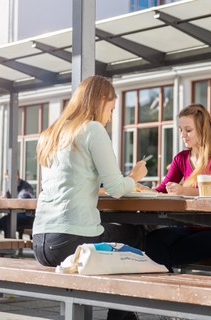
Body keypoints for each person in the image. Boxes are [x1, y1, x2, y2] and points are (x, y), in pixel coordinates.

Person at [32, 75, 147, 320]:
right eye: (112, 109)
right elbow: (117, 187)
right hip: (67, 240)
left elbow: (69, 182)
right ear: (102, 100)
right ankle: (120, 317)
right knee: (133, 235)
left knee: (115, 234)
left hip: (40, 241)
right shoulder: (92, 129)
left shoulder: (52, 133)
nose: (110, 117)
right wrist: (135, 176)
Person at [143, 104, 211, 271]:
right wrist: (138, 188)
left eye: (188, 130)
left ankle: (167, 284)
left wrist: (184, 190)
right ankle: (167, 280)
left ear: (202, 130)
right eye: (181, 130)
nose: (183, 135)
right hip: (192, 227)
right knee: (153, 240)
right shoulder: (181, 158)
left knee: (169, 252)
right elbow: (162, 189)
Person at [0, 174, 35, 238]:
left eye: (8, 178)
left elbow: (20, 203)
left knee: (8, 220)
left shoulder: (25, 187)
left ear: (16, 176)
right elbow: (5, 200)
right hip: (13, 215)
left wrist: (5, 200)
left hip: (25, 215)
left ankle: (8, 242)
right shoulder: (11, 188)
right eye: (7, 179)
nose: (8, 180)